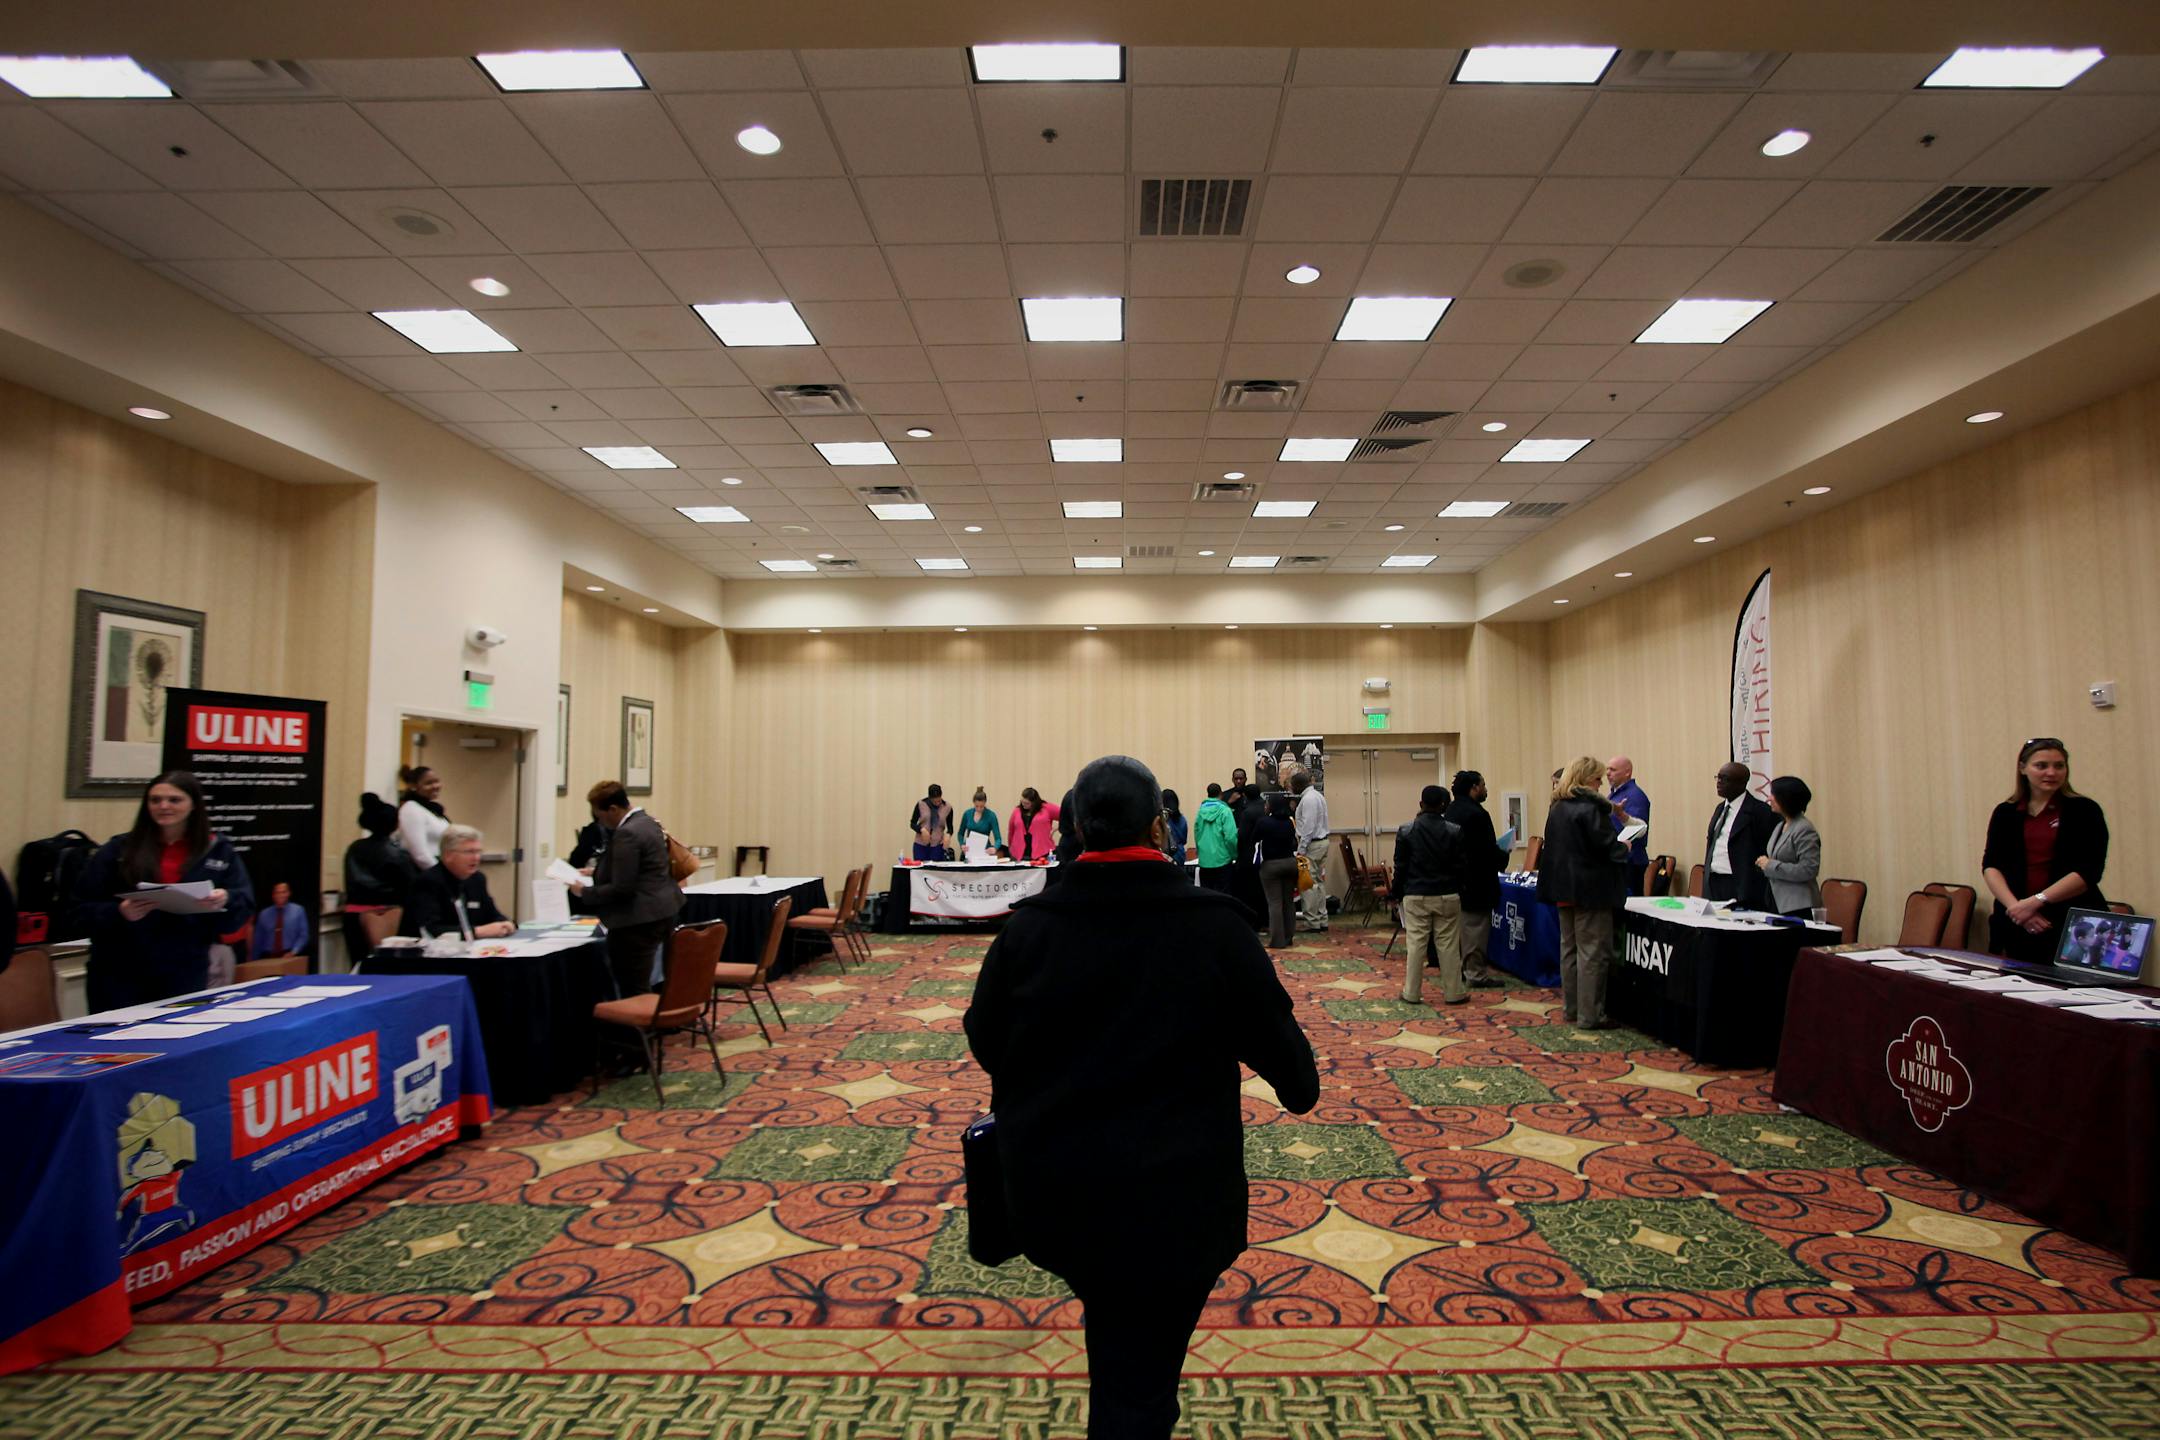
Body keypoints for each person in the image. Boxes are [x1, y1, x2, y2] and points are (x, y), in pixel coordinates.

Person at [964, 755, 1319, 1438]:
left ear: (1073, 830)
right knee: (1141, 1387)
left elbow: (986, 1041)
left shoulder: (1027, 932)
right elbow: (1298, 1085)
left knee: (1128, 1368)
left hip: (1059, 1197)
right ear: (1161, 830)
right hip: (1180, 1203)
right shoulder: (1216, 929)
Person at [74, 771, 254, 1011]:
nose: (163, 806)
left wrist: (225, 900)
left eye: (174, 800)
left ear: (194, 805)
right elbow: (77, 910)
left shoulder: (217, 850)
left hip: (184, 969)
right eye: (155, 800)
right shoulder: (118, 850)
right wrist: (119, 913)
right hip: (119, 971)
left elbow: (242, 905)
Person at [1983, 737, 2109, 965]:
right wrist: (2017, 909)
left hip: (2070, 922)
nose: (2051, 772)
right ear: (2023, 768)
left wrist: (2036, 902)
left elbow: (2088, 871)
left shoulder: (2085, 810)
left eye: (2059, 766)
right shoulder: (2006, 812)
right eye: (2041, 766)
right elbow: (1991, 865)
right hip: (2015, 919)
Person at [572, 779, 686, 997]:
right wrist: (596, 873)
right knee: (652, 978)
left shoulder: (627, 833)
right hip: (663, 909)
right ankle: (658, 1024)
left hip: (637, 920)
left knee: (633, 984)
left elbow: (623, 888)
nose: (601, 823)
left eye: (600, 815)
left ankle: (635, 1030)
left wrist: (584, 892)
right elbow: (643, 869)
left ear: (613, 809)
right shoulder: (649, 822)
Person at [1540, 757, 1628, 1030]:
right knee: (1593, 952)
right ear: (1586, 779)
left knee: (1569, 949)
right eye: (1597, 779)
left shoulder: (1558, 806)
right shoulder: (1591, 809)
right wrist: (1623, 846)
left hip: (1562, 888)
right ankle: (1591, 1015)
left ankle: (1572, 1008)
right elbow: (1607, 848)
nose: (1601, 783)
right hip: (1590, 890)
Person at [1395, 785, 1470, 1005]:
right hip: (1447, 894)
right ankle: (1454, 992)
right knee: (1448, 945)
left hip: (1416, 894)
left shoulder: (1406, 831)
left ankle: (1411, 992)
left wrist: (1397, 892)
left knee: (1416, 945)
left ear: (1421, 805)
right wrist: (1460, 888)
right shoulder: (1454, 831)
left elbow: (1400, 866)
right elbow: (1461, 866)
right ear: (1443, 806)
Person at [1444, 771, 1506, 987]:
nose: (1485, 789)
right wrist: (1503, 856)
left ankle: (1464, 968)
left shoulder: (1451, 810)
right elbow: (1486, 850)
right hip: (1478, 881)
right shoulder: (1477, 814)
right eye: (1483, 785)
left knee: (1462, 929)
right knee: (1476, 929)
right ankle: (1475, 973)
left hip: (1455, 880)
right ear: (1474, 788)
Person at [402, 825, 513, 940]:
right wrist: (477, 932)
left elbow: (493, 914)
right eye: (470, 852)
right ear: (448, 855)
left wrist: (506, 923)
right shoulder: (428, 881)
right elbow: (432, 930)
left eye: (478, 852)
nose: (476, 858)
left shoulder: (477, 879)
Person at [343, 792, 417, 953]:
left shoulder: (354, 848)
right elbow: (410, 887)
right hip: (388, 915)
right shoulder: (397, 854)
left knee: (359, 966)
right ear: (395, 824)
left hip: (353, 914)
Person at [1702, 763, 1775, 909]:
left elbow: (1767, 849)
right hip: (1714, 880)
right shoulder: (1720, 808)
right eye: (1718, 777)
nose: (1719, 782)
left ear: (1742, 783)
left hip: (1739, 884)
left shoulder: (1759, 811)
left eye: (1725, 779)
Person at [1756, 776, 1823, 919]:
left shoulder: (1804, 829)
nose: (1769, 799)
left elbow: (1809, 869)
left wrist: (1771, 865)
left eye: (1773, 795)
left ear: (1786, 799)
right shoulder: (1780, 826)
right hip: (1776, 901)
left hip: (1798, 906)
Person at [1252, 792, 1300, 948]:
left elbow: (1254, 839)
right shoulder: (1289, 822)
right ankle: (1289, 936)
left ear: (1271, 806)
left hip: (1271, 866)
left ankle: (1277, 940)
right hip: (1290, 863)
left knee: (1274, 903)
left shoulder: (1263, 822)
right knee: (1289, 902)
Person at [1290, 771, 1331, 932]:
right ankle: (1322, 919)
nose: (1291, 788)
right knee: (1319, 883)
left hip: (1312, 845)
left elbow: (1308, 827)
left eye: (1293, 785)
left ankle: (1312, 922)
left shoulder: (1308, 800)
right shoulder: (1317, 796)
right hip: (1321, 842)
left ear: (1299, 785)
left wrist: (1301, 850)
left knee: (1308, 884)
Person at [1606, 755, 1651, 897]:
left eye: (1613, 770)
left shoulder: (1634, 796)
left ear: (1627, 772)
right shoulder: (1615, 794)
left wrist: (1621, 815)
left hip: (1630, 861)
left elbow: (1638, 829)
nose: (1608, 773)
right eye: (1607, 769)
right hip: (1619, 859)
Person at [395, 764, 450, 871]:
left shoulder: (433, 810)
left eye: (436, 781)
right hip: (424, 873)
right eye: (429, 783)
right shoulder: (411, 809)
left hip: (439, 867)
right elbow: (420, 854)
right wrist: (441, 876)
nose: (435, 786)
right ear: (413, 786)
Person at [1193, 783, 1237, 891]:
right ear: (1221, 794)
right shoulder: (1225, 811)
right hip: (1223, 860)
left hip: (1204, 860)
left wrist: (1200, 852)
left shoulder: (1200, 811)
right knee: (1224, 896)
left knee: (1207, 895)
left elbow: (1197, 834)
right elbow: (1230, 837)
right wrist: (1234, 854)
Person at [250, 881, 310, 959]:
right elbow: (258, 941)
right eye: (277, 893)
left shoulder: (298, 910)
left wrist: (294, 952)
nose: (280, 895)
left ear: (289, 893)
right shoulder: (264, 914)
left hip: (290, 955)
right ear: (273, 895)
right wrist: (253, 960)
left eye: (283, 892)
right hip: (268, 957)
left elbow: (304, 936)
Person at [1008, 787, 1058, 863]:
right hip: (1019, 854)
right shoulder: (1016, 811)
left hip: (1043, 852)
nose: (1023, 805)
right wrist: (1011, 848)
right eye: (1022, 802)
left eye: (1027, 803)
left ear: (1034, 802)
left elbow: (1065, 815)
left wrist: (1058, 828)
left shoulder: (1046, 808)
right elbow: (1011, 831)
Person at [911, 784, 955, 862]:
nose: (937, 803)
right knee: (920, 871)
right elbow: (912, 823)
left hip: (937, 846)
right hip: (921, 845)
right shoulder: (921, 804)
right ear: (929, 798)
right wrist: (921, 830)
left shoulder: (947, 807)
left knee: (936, 871)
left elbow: (950, 828)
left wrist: (948, 834)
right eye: (934, 801)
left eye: (939, 800)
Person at [956, 787, 1003, 859]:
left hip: (985, 852)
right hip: (968, 852)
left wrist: (995, 848)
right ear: (973, 803)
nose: (979, 809)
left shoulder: (991, 816)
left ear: (985, 803)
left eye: (981, 806)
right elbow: (960, 834)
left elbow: (998, 838)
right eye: (976, 806)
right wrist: (962, 844)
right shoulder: (967, 814)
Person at [1160, 789, 1189, 862]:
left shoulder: (1163, 819)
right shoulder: (1182, 819)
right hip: (1180, 855)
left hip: (1166, 855)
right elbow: (1184, 840)